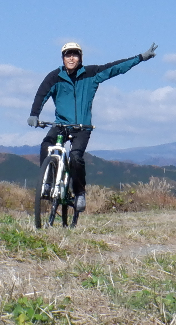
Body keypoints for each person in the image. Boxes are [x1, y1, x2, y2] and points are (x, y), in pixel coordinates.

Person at [28, 41, 157, 212]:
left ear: (80, 57)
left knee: (75, 157)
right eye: (68, 54)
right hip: (61, 124)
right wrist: (34, 114)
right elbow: (41, 94)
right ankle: (48, 183)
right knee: (46, 145)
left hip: (82, 127)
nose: (71, 57)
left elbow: (115, 68)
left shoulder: (91, 74)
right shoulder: (54, 77)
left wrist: (140, 58)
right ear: (63, 58)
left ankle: (79, 192)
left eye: (75, 54)